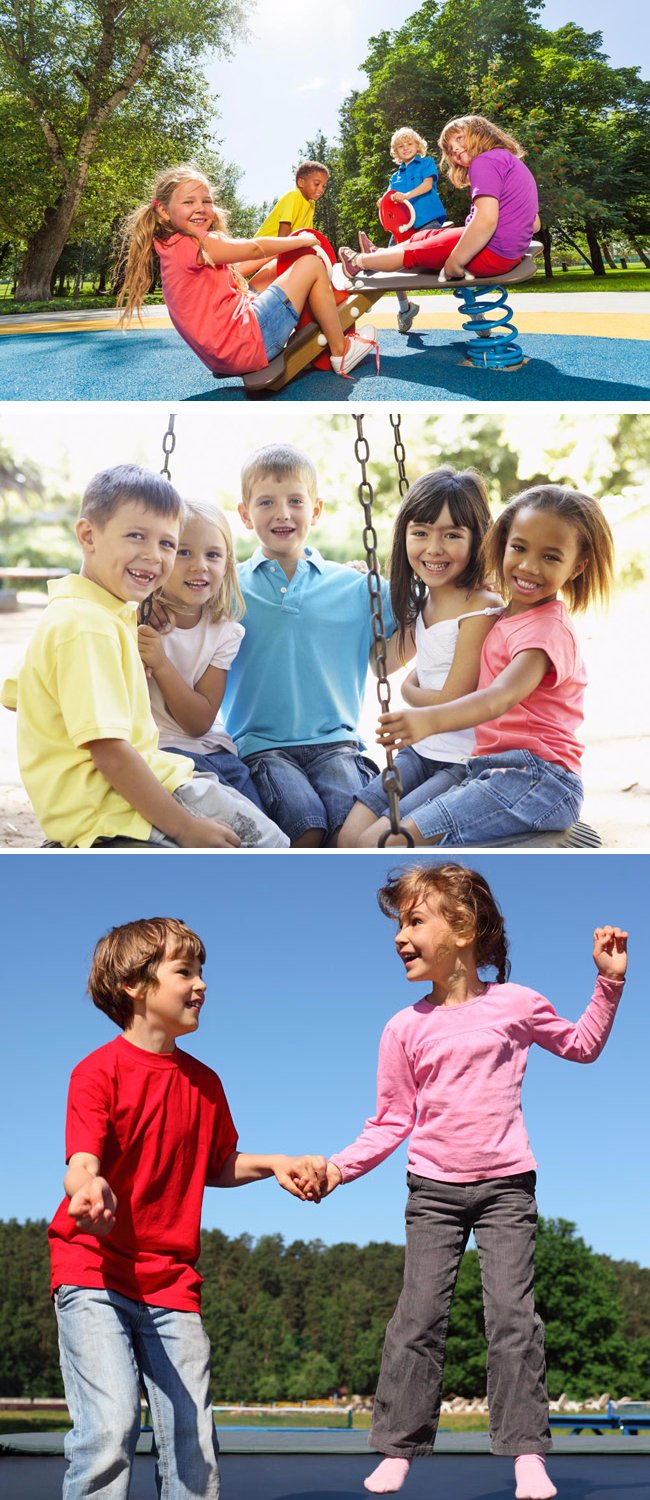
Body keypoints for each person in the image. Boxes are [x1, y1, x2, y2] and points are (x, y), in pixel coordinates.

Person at [299, 863, 628, 1497]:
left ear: (463, 928)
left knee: (513, 1318)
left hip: (507, 1185)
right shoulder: (403, 1028)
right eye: (398, 924)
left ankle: (525, 1452)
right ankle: (398, 1446)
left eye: (414, 921)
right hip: (433, 1190)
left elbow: (582, 1046)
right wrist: (340, 1168)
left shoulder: (517, 1004)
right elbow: (390, 1121)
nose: (400, 937)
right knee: (418, 1317)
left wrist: (608, 983)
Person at [49, 915, 327, 1499]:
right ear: (133, 985)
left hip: (171, 1283)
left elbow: (216, 1165)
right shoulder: (98, 1072)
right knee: (109, 1427)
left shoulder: (205, 1083)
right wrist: (86, 1187)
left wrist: (274, 1162)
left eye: (202, 971)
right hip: (94, 1271)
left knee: (193, 1442)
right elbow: (82, 1159)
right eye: (185, 971)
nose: (201, 983)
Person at [1, 465, 288, 848]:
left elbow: (16, 694)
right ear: (88, 535)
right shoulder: (88, 626)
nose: (154, 556)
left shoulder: (88, 610)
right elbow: (110, 751)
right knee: (268, 843)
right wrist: (185, 828)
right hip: (111, 803)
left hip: (127, 787)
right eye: (136, 536)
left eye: (167, 544)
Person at [375, 486, 615, 846]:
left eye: (550, 557)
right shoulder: (505, 615)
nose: (528, 566)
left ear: (577, 566)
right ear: (500, 544)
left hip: (538, 780)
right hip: (495, 772)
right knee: (410, 837)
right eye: (518, 548)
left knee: (397, 840)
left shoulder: (546, 632)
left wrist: (427, 719)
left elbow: (498, 697)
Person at [220, 443, 406, 846]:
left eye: (295, 501)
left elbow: (423, 607)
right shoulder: (227, 586)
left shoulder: (354, 587)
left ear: (315, 510)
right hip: (261, 747)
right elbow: (182, 614)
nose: (282, 513)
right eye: (266, 502)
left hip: (336, 743)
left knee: (348, 831)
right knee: (306, 826)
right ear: (245, 515)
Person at [339, 467, 502, 847]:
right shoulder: (426, 601)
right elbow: (384, 663)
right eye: (421, 533)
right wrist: (362, 600)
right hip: (420, 752)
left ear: (477, 539)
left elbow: (452, 699)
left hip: (461, 763)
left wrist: (411, 691)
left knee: (374, 844)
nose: (433, 548)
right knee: (346, 838)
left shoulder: (481, 609)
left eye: (452, 535)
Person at [116, 163, 376, 379]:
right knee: (310, 264)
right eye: (188, 202)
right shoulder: (197, 242)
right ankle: (341, 352)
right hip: (248, 344)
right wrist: (302, 241)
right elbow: (254, 249)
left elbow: (238, 269)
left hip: (222, 356)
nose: (200, 208)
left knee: (274, 267)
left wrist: (282, 253)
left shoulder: (171, 245)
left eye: (206, 201)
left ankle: (311, 318)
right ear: (163, 210)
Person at [138, 497, 264, 812]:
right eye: (183, 552)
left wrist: (162, 664)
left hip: (218, 755)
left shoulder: (224, 633)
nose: (199, 565)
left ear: (227, 564)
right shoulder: (136, 620)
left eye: (213, 555)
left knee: (264, 832)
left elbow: (199, 722)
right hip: (162, 756)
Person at [339, 114, 539, 289]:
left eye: (460, 138)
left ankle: (358, 261)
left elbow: (486, 219)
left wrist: (457, 259)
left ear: (482, 132)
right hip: (508, 252)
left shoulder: (484, 161)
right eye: (451, 150)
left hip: (491, 252)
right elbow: (534, 222)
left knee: (415, 251)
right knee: (424, 236)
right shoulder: (509, 161)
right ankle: (379, 253)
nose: (456, 149)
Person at [361, 128, 447, 333]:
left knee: (444, 260)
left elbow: (427, 185)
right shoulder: (395, 176)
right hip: (402, 228)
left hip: (427, 222)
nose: (406, 148)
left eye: (409, 144)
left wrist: (407, 195)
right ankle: (404, 308)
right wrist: (383, 201)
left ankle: (475, 310)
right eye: (401, 146)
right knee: (389, 266)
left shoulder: (426, 163)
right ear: (396, 152)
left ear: (418, 146)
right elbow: (389, 198)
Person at [240, 160, 330, 290]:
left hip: (281, 248)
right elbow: (284, 229)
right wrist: (287, 249)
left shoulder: (311, 205)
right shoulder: (293, 196)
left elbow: (306, 232)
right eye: (317, 184)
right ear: (301, 182)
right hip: (263, 246)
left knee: (279, 271)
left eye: (324, 186)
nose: (321, 189)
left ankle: (253, 293)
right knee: (238, 272)